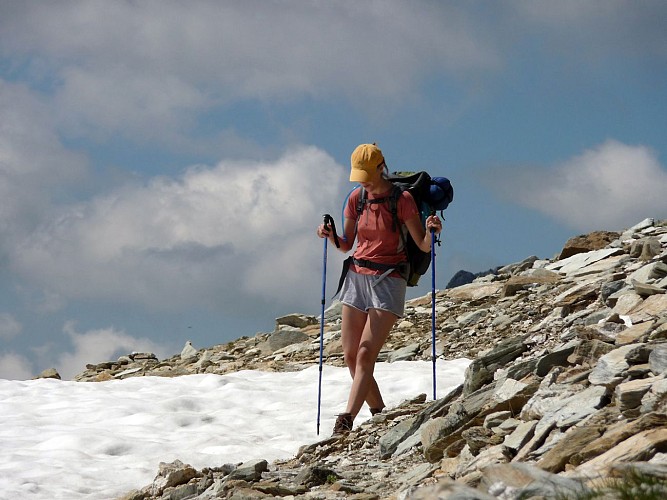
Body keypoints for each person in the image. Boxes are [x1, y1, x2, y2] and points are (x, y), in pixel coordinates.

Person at [316, 143, 442, 435]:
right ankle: (379, 413)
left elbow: (422, 244)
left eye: (366, 174)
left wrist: (434, 231)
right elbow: (346, 245)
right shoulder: (356, 198)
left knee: (364, 354)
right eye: (358, 174)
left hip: (390, 280)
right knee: (350, 356)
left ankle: (345, 420)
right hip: (357, 277)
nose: (361, 180)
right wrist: (330, 234)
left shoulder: (403, 199)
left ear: (380, 167)